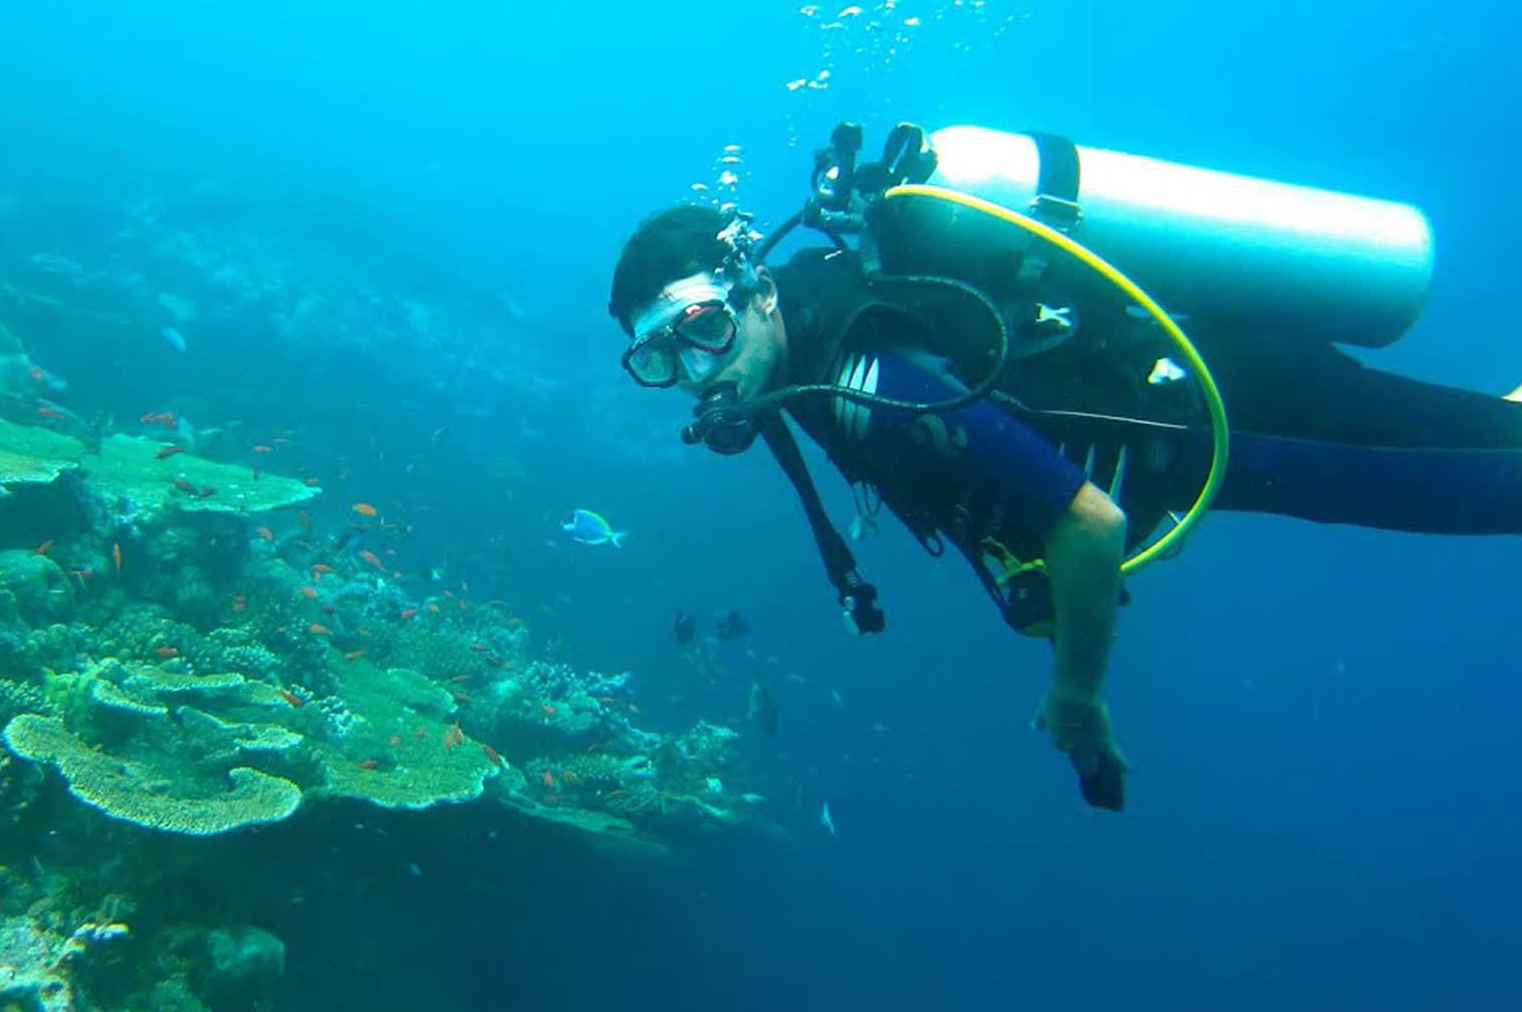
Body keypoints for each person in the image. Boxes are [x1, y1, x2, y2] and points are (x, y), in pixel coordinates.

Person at [606, 128, 1522, 811]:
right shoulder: (796, 341)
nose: (695, 371)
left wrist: (1077, 692)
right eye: (660, 356)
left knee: (1491, 489)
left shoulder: (862, 382)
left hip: (1225, 414)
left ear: (757, 289)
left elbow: (1089, 521)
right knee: (1481, 439)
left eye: (704, 329)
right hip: (1205, 391)